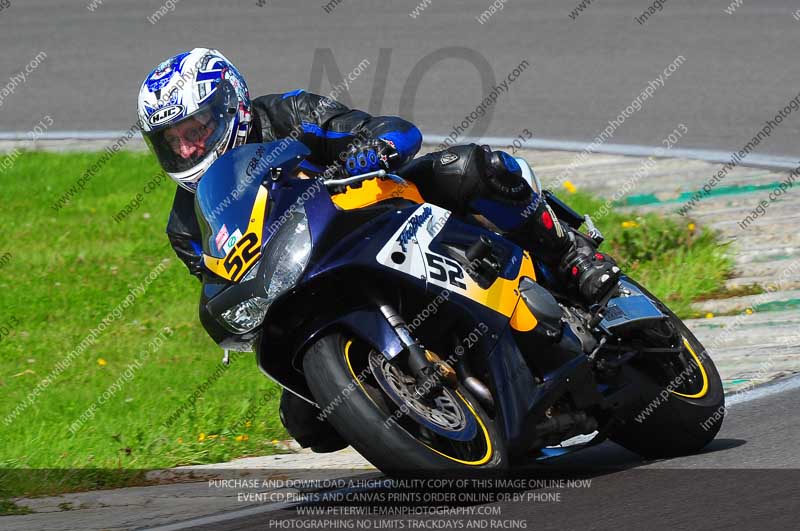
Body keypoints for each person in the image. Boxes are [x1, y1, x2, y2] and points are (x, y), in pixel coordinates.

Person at [137, 48, 621, 450]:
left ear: (231, 108)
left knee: (467, 167)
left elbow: (389, 129)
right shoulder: (186, 224)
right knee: (308, 423)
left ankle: (569, 255)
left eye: (195, 131)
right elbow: (221, 281)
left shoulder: (285, 114)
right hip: (306, 283)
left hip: (374, 214)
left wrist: (370, 146)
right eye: (171, 140)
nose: (185, 150)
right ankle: (422, 414)